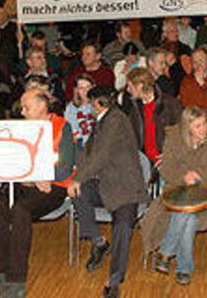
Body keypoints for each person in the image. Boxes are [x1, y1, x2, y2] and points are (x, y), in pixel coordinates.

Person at [0, 88, 76, 298]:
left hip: (53, 187)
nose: (22, 112)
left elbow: (65, 167)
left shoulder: (63, 126)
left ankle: (17, 280)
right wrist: (32, 177)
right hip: (26, 183)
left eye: (26, 107)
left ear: (42, 107)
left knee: (20, 210)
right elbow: (11, 161)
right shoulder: (19, 128)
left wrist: (40, 176)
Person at [67, 85, 149, 298]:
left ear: (97, 102)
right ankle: (99, 242)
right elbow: (88, 152)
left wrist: (78, 177)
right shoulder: (102, 120)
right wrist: (77, 175)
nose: (89, 106)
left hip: (125, 188)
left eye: (91, 102)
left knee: (122, 227)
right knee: (79, 192)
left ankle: (114, 281)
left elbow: (101, 154)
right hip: (106, 185)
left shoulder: (115, 120)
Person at [140, 106, 207, 285]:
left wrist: (199, 174)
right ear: (187, 128)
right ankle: (184, 267)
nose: (203, 129)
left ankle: (166, 253)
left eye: (204, 124)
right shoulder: (174, 138)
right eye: (197, 126)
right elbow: (167, 168)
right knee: (188, 216)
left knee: (185, 214)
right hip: (178, 190)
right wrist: (184, 177)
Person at [125, 68, 181, 167]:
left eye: (130, 86)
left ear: (140, 86)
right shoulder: (135, 108)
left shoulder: (169, 104)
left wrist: (170, 154)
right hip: (145, 162)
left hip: (167, 160)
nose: (127, 90)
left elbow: (181, 132)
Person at [63, 73, 96, 148]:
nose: (86, 91)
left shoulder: (98, 106)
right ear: (76, 90)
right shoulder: (71, 108)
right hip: (79, 145)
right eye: (81, 88)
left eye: (88, 87)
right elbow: (71, 131)